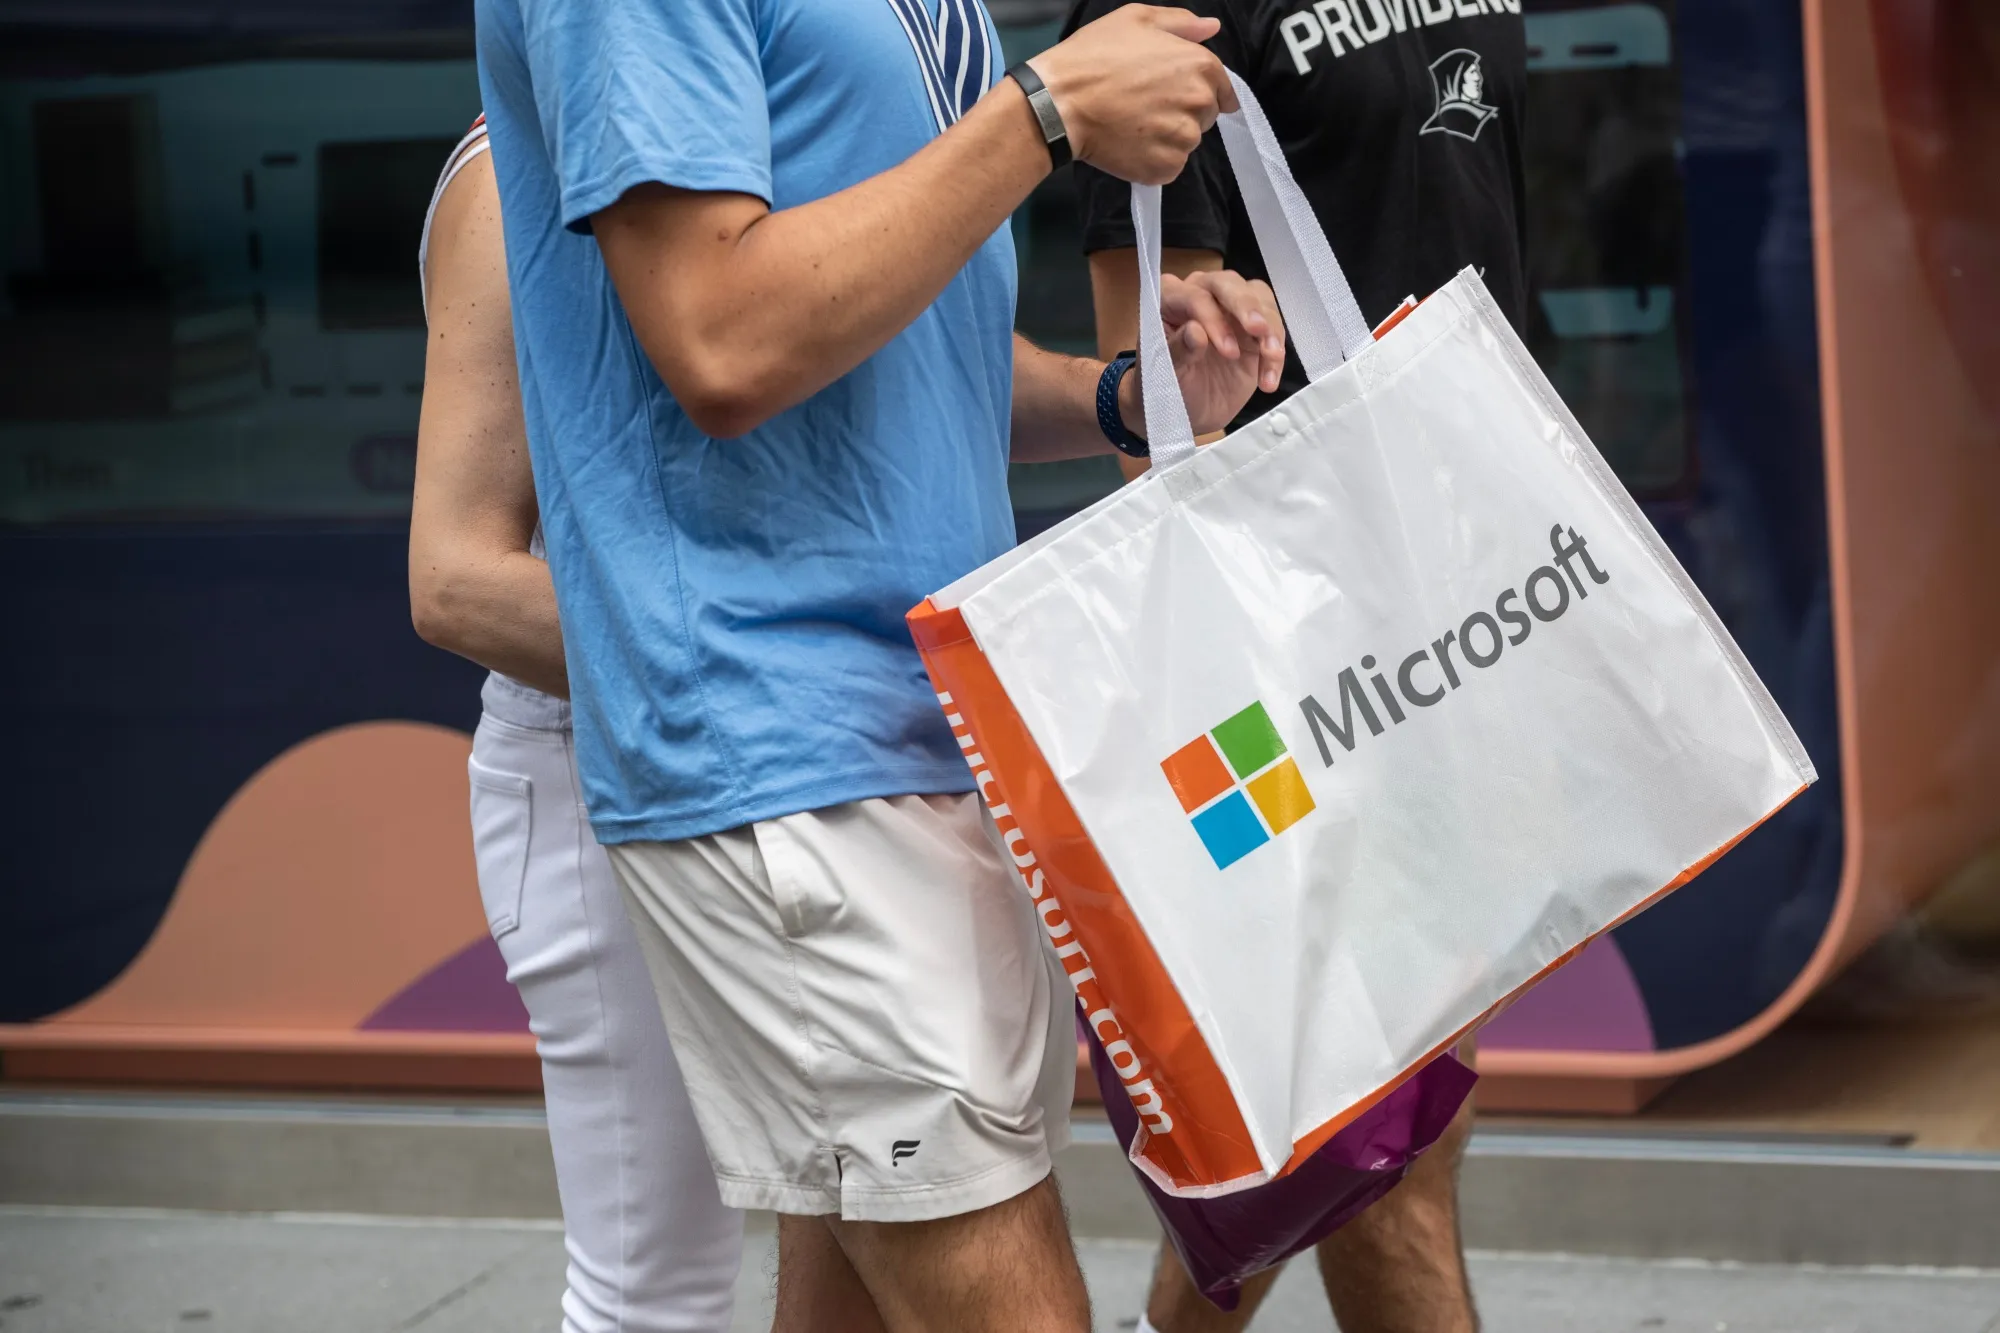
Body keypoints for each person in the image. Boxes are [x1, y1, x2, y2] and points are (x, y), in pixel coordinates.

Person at [471, 1, 1288, 1328]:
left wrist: (1118, 397)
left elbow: (911, 347)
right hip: (778, 738)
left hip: (928, 725)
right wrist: (1041, 115)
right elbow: (723, 336)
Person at [1067, 0, 1530, 1329]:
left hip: (1478, 593)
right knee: (1395, 1141)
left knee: (1353, 1127)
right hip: (1314, 646)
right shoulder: (1164, 13)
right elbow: (1154, 393)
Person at [408, 119, 746, 1333]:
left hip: (809, 758)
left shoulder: (769, 120)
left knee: (880, 1220)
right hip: (607, 770)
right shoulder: (516, 174)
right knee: (654, 1286)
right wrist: (777, 658)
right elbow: (455, 581)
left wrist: (1112, 394)